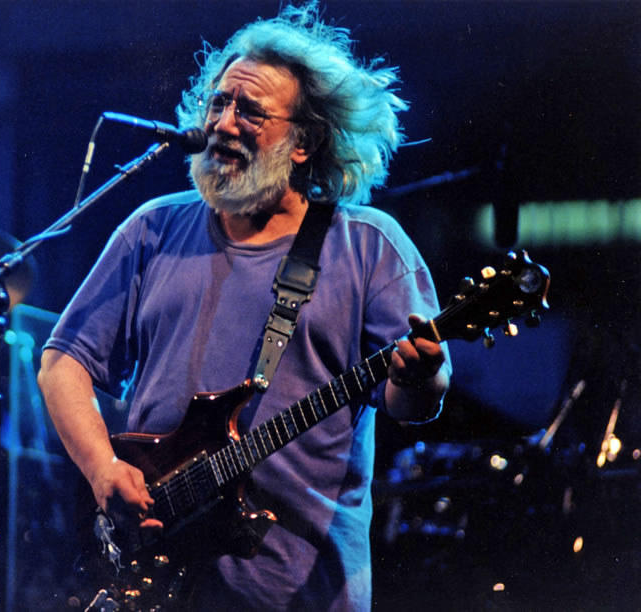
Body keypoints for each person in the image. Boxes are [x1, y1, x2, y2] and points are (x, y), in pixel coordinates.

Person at [37, 3, 451, 610]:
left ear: (305, 142)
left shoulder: (368, 245)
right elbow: (62, 362)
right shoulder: (152, 228)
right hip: (156, 579)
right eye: (218, 104)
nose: (224, 124)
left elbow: (413, 403)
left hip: (300, 592)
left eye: (251, 112)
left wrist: (421, 375)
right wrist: (104, 471)